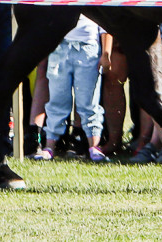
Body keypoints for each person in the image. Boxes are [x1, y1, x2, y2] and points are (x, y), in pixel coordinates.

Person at [29, 14, 110, 163]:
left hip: (88, 49)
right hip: (60, 46)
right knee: (57, 100)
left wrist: (106, 53)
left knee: (89, 102)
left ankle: (94, 146)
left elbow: (105, 25)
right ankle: (50, 146)